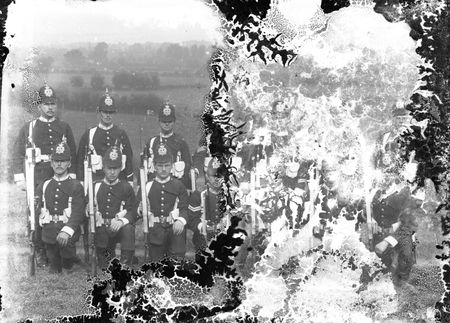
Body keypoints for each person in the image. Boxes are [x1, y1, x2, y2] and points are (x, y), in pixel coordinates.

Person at [13, 82, 77, 266]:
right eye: (47, 104)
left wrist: (72, 177)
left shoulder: (64, 127)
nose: (50, 108)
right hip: (38, 177)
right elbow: (17, 154)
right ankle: (40, 250)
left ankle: (63, 250)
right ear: (39, 106)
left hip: (60, 177)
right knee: (38, 214)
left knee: (61, 212)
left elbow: (71, 153)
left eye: (53, 104)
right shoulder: (29, 128)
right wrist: (21, 179)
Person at [35, 141, 85, 274]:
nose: (59, 164)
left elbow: (78, 213)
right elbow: (38, 212)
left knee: (66, 266)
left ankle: (70, 261)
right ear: (51, 163)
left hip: (67, 232)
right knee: (54, 268)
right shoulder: (44, 185)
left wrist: (66, 231)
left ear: (69, 163)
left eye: (63, 161)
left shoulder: (75, 186)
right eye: (56, 161)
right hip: (49, 232)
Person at [138, 143, 189, 262]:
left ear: (172, 166)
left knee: (176, 261)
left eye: (167, 165)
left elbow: (184, 208)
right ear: (154, 166)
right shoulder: (147, 186)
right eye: (160, 165)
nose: (164, 169)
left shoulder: (179, 185)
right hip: (156, 229)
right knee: (156, 265)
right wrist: (141, 210)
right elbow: (137, 206)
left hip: (174, 228)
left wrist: (180, 221)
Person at [91, 146, 137, 268]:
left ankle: (125, 263)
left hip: (119, 228)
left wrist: (122, 221)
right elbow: (87, 207)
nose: (112, 172)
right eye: (109, 168)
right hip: (101, 228)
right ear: (103, 167)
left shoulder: (126, 187)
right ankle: (105, 257)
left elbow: (133, 211)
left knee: (128, 228)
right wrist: (89, 211)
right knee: (104, 265)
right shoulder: (95, 186)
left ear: (121, 168)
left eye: (115, 168)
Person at [76, 89, 133, 184]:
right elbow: (80, 162)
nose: (108, 115)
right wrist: (82, 184)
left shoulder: (121, 134)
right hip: (95, 182)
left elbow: (129, 162)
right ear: (99, 111)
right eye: (105, 112)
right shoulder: (89, 134)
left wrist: (130, 183)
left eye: (111, 112)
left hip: (118, 183)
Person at [145, 103, 192, 190]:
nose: (167, 124)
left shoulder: (181, 143)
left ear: (174, 122)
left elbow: (187, 167)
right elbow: (144, 168)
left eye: (169, 121)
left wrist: (187, 188)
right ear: (159, 121)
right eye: (164, 121)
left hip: (176, 187)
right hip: (156, 188)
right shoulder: (152, 143)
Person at [187, 157, 225, 262]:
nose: (216, 179)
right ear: (207, 176)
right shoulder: (199, 194)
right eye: (213, 176)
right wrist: (200, 225)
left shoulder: (230, 194)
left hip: (225, 234)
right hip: (204, 235)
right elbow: (191, 218)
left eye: (220, 176)